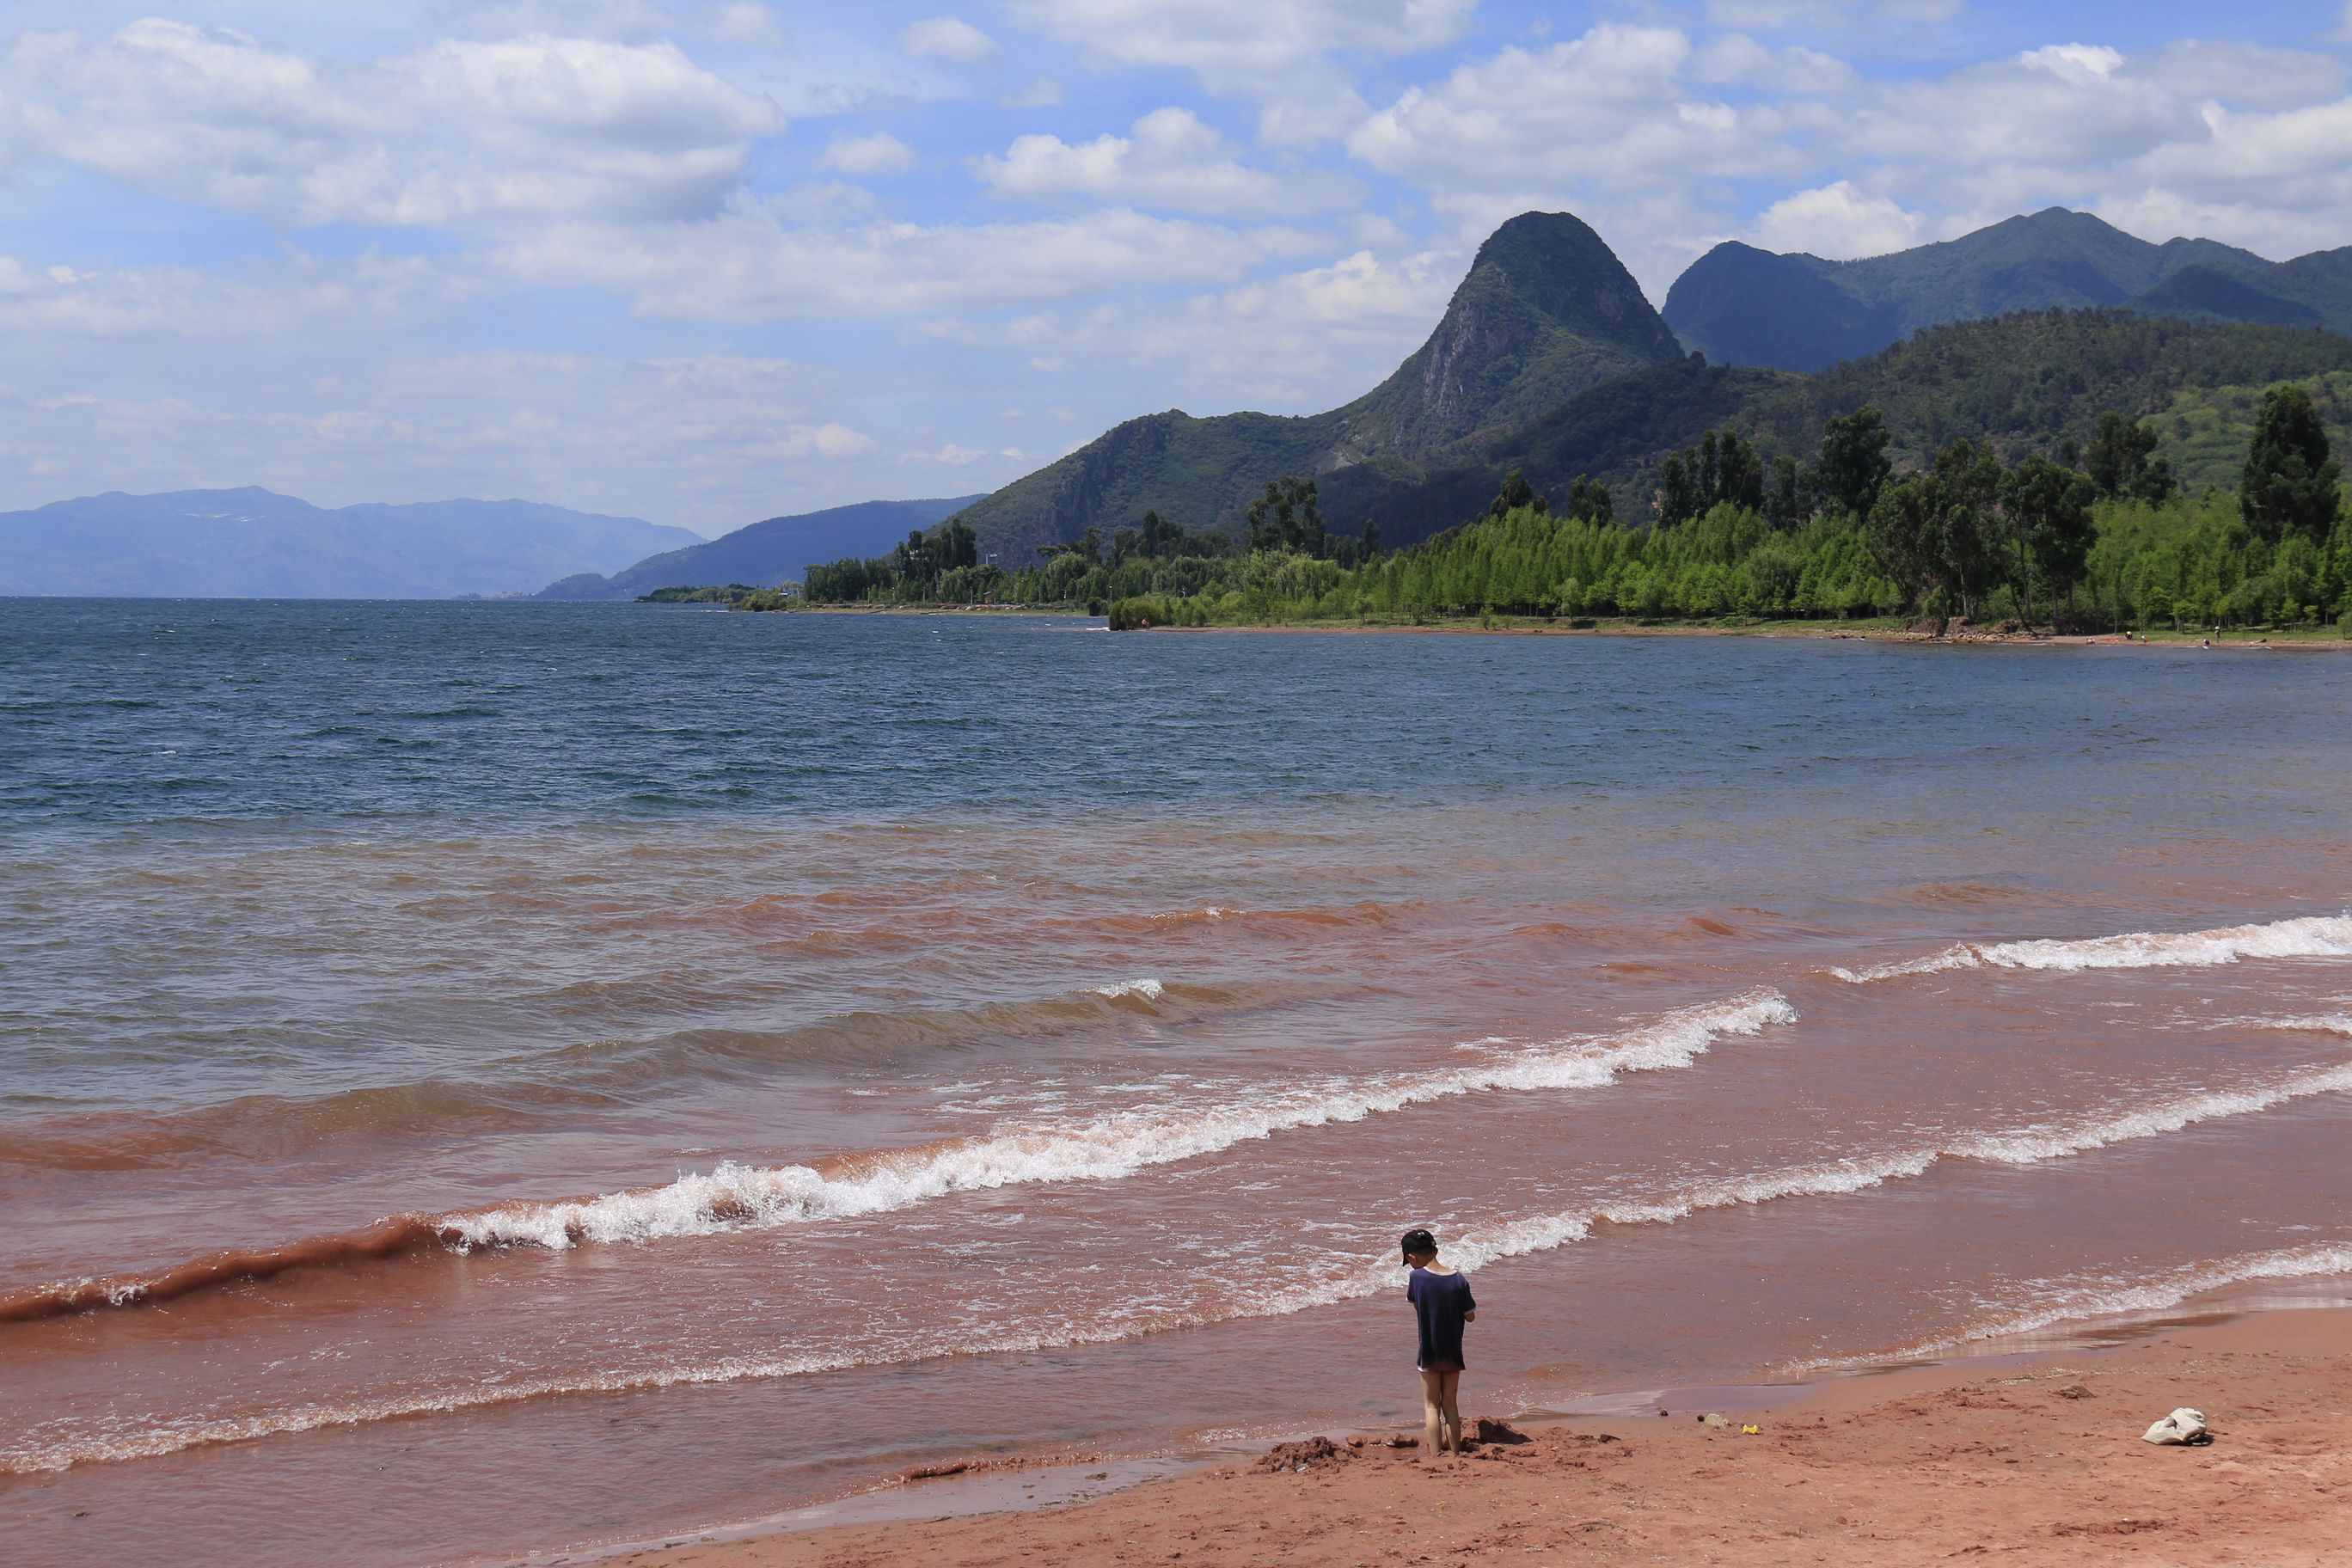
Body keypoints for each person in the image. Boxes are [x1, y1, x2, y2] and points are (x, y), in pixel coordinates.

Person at [1401, 1228, 1476, 1461]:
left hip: (1429, 1350)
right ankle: (1455, 1451)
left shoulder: (1417, 1278)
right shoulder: (1458, 1279)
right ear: (1435, 1250)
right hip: (1453, 1350)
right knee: (1451, 1405)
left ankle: (1436, 1453)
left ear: (1412, 1257)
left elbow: (1416, 1304)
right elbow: (1470, 1316)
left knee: (1431, 1404)